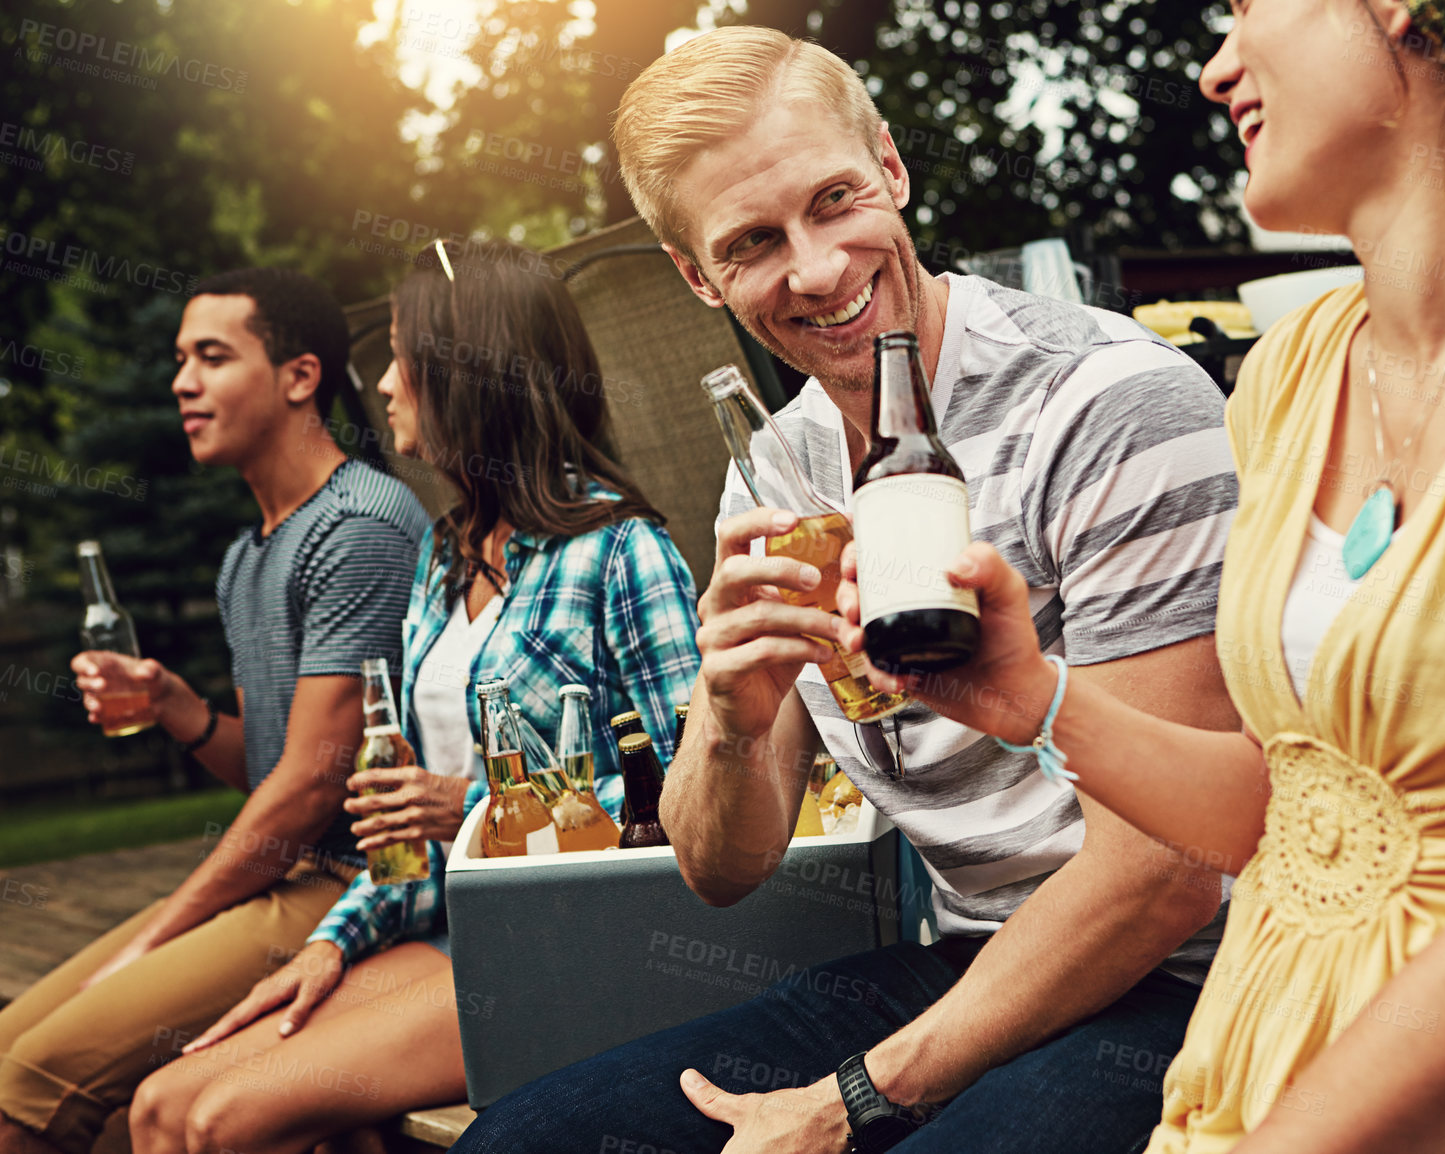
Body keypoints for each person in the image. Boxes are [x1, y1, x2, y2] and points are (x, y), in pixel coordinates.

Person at [831, 1, 1445, 1151]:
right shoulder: (1296, 374)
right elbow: (1289, 803)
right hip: (1249, 1082)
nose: (1213, 70)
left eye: (1248, 8)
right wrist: (1031, 699)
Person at [454, 26, 1244, 1154]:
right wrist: (729, 721)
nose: (816, 268)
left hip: (1184, 977)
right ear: (698, 276)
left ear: (891, 166)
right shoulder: (772, 476)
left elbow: (1167, 873)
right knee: (519, 1145)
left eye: (834, 199)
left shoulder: (1109, 402)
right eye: (753, 242)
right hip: (970, 955)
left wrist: (852, 1099)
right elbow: (721, 868)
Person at [125, 237, 704, 1154]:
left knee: (225, 1121)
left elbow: (687, 790)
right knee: (158, 1108)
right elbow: (403, 834)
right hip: (437, 930)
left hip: (571, 949)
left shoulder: (621, 552)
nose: (384, 383)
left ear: (471, 372)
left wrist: (473, 807)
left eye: (402, 356)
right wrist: (334, 942)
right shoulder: (444, 561)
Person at [0, 270, 427, 1154]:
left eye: (211, 356)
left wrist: (160, 932)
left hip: (354, 885)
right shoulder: (249, 554)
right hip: (284, 873)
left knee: (26, 1086)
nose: (181, 382)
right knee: (8, 1048)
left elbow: (313, 792)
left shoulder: (358, 528)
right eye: (179, 359)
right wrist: (179, 711)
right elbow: (275, 769)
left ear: (299, 377)